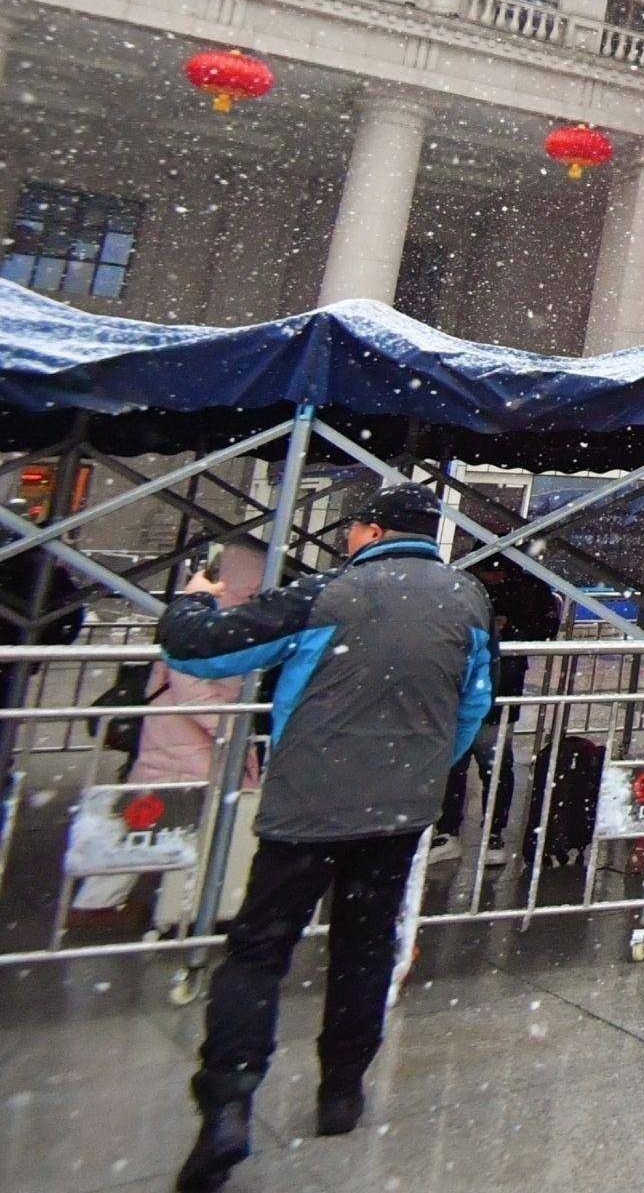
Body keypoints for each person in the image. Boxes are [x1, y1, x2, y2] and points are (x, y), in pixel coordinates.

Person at [161, 484, 491, 1191]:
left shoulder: (327, 594)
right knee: (365, 943)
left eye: (353, 528)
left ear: (370, 530)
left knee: (258, 951)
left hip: (307, 805)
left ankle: (228, 1100)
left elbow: (201, 652)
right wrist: (426, 768)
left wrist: (192, 599)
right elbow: (472, 704)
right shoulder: (465, 600)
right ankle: (342, 1086)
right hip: (399, 807)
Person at [74, 539, 266, 920]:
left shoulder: (207, 612)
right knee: (178, 815)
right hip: (194, 738)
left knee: (154, 815)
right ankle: (185, 904)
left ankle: (115, 900)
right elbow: (190, 685)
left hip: (182, 737)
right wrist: (229, 723)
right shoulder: (217, 619)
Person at [436, 552, 557, 864]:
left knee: (484, 762)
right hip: (488, 684)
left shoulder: (462, 584)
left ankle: (476, 831)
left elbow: (543, 628)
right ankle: (467, 831)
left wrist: (510, 630)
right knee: (480, 763)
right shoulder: (524, 587)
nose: (495, 578)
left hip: (486, 685)